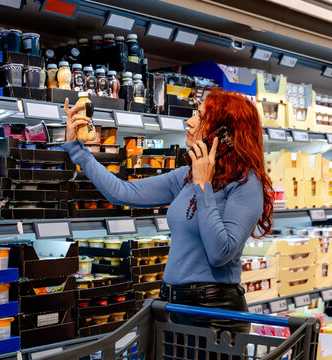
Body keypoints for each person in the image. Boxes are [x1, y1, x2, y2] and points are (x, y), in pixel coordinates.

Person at [62, 90, 274, 335]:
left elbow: (220, 252)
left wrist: (203, 185)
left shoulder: (245, 184)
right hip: (171, 304)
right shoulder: (186, 176)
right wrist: (76, 149)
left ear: (222, 133)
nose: (190, 121)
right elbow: (122, 192)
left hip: (214, 314)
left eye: (201, 117)